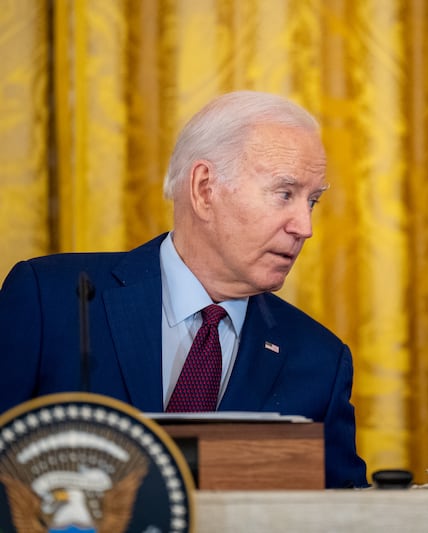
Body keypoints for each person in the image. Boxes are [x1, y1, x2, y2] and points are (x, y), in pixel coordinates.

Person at [0, 91, 368, 489]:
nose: (304, 226)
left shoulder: (320, 360)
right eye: (285, 194)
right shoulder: (50, 299)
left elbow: (344, 513)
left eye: (312, 201)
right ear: (205, 188)